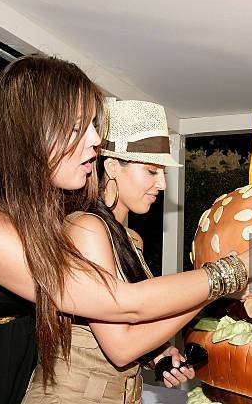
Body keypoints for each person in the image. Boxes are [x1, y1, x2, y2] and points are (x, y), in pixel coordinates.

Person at [0, 55, 252, 403]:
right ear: (29, 133)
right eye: (77, 128)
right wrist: (241, 268)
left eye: (93, 125)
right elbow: (119, 304)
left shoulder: (34, 202)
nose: (94, 139)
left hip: (0, 373)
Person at [23, 100, 193, 403]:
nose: (163, 184)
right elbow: (120, 349)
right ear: (112, 167)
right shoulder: (86, 228)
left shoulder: (132, 240)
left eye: (163, 173)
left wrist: (158, 354)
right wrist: (213, 287)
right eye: (152, 171)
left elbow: (131, 325)